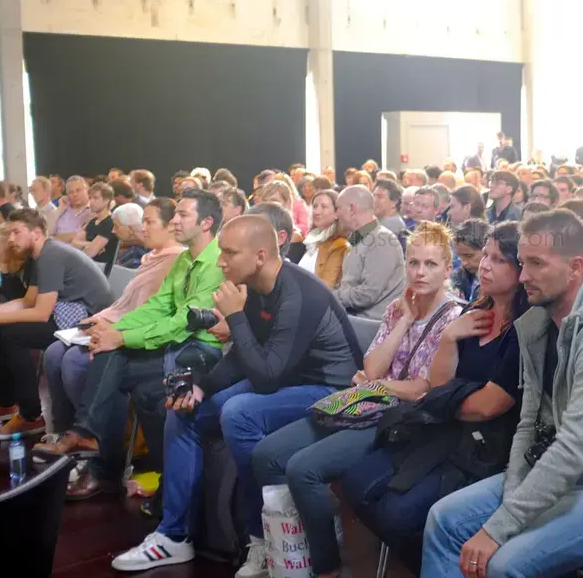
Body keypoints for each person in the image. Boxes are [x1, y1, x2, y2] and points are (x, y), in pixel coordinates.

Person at [420, 209, 583, 577]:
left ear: (575, 267)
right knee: (443, 519)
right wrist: (514, 496)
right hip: (569, 476)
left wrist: (499, 527)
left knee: (504, 563)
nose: (523, 276)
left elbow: (575, 448)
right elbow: (529, 423)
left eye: (536, 264)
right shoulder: (538, 323)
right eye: (523, 262)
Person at [110, 212, 364, 574]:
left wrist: (236, 317)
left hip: (331, 391)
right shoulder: (257, 286)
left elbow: (266, 377)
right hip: (288, 378)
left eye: (229, 253)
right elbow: (246, 359)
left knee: (239, 412)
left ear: (260, 256)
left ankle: (260, 537)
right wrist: (201, 387)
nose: (220, 262)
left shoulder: (298, 295)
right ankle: (173, 535)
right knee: (185, 408)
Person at [251, 221, 461, 578]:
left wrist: (381, 384)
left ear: (447, 269)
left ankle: (326, 566)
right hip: (365, 404)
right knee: (266, 454)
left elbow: (424, 390)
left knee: (303, 469)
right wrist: (406, 321)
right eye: (413, 263)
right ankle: (299, 542)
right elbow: (373, 366)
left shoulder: (453, 317)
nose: (420, 272)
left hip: (400, 421)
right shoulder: (398, 308)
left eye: (431, 264)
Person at [343, 221, 530, 571]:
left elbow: (488, 406)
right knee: (355, 481)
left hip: (486, 445)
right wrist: (448, 338)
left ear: (522, 270)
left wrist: (445, 403)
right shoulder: (474, 312)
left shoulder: (526, 328)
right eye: (485, 256)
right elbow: (442, 385)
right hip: (447, 429)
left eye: (498, 259)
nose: (485, 266)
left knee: (397, 514)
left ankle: (433, 563)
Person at [33, 189, 223, 492]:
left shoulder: (215, 262)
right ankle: (86, 435)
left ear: (206, 223)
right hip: (175, 344)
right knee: (109, 353)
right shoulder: (186, 259)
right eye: (175, 213)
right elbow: (156, 306)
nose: (175, 220)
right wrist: (114, 333)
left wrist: (121, 336)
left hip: (198, 350)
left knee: (116, 366)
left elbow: (183, 324)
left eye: (183, 214)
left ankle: (106, 458)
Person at [0, 208, 113, 438]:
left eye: (16, 233)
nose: (11, 239)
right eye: (10, 234)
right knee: (2, 328)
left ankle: (29, 416)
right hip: (72, 315)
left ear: (37, 233)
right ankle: (6, 402)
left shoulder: (50, 255)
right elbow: (28, 301)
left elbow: (40, 313)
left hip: (88, 324)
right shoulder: (42, 254)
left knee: (11, 334)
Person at [41, 199, 184, 446]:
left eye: (149, 222)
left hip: (143, 336)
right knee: (54, 353)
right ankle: (66, 430)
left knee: (75, 361)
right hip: (120, 324)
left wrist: (112, 329)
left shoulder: (174, 261)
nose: (142, 228)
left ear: (169, 226)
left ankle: (104, 441)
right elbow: (124, 304)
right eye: (143, 222)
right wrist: (98, 319)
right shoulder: (151, 257)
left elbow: (152, 312)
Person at [335, 185, 407, 319]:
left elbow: (366, 295)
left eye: (338, 208)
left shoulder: (382, 240)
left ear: (352, 209)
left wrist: (332, 296)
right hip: (353, 317)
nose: (336, 214)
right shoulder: (358, 238)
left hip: (370, 323)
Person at [297, 189, 349, 288]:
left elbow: (327, 287)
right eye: (315, 206)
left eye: (324, 207)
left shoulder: (339, 245)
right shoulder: (311, 241)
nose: (316, 211)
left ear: (337, 213)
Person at [71, 182, 120, 269]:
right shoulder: (92, 221)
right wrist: (90, 244)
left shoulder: (110, 223)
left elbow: (90, 252)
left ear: (106, 200)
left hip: (99, 268)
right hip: (85, 265)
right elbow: (74, 244)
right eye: (90, 198)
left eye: (96, 198)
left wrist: (87, 246)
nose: (91, 202)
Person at [451, 219, 488, 303]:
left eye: (469, 256)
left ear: (485, 249)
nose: (464, 263)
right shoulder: (460, 278)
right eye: (460, 257)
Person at [50, 176, 95, 243]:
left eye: (78, 190)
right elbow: (47, 234)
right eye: (71, 192)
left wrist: (54, 238)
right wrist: (60, 209)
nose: (75, 194)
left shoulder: (95, 210)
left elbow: (82, 237)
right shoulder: (63, 211)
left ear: (88, 190)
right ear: (67, 195)